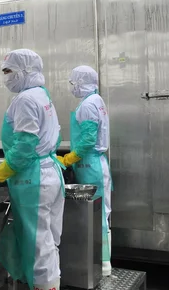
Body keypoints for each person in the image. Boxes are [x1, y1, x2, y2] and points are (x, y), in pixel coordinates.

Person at [0, 49, 68, 290]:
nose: (5, 77)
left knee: (37, 243)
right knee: (47, 240)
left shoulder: (25, 100)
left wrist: (1, 172)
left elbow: (25, 145)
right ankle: (44, 283)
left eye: (8, 71)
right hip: (50, 173)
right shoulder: (42, 95)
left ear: (25, 71)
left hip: (33, 180)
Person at [65, 65, 113, 276]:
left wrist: (69, 158)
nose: (72, 87)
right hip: (95, 164)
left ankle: (102, 263)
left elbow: (87, 140)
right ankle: (102, 263)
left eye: (73, 83)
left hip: (90, 164)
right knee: (102, 212)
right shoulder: (96, 100)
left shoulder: (88, 105)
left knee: (97, 213)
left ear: (81, 82)